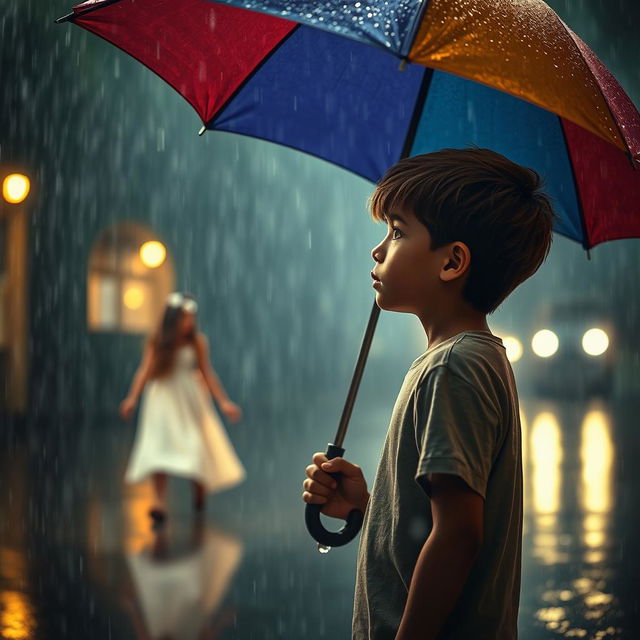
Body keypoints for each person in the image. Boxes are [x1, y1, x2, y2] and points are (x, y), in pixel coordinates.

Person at [302, 148, 556, 639]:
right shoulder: (466, 358)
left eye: (397, 231)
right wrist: (369, 508)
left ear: (453, 262)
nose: (378, 250)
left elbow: (459, 536)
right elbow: (440, 517)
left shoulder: (454, 366)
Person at [120, 292, 245, 523]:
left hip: (189, 398)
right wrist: (132, 398)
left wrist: (223, 402)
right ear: (173, 319)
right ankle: (159, 502)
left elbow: (207, 373)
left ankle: (199, 485)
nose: (189, 323)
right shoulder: (158, 341)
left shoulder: (197, 342)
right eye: (184, 318)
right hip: (162, 400)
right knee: (157, 449)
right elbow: (144, 371)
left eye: (191, 318)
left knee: (194, 444)